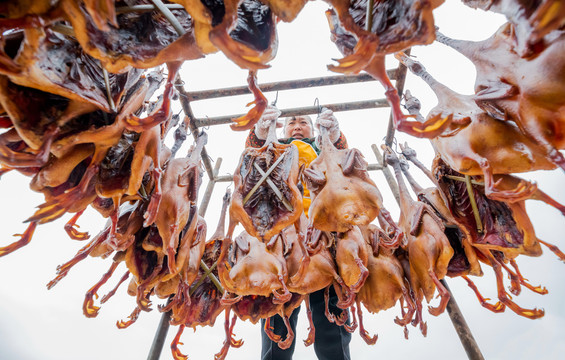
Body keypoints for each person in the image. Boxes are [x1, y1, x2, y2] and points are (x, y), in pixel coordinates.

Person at [245, 105, 352, 360]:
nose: (297, 126)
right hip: (279, 232)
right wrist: (261, 131)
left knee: (329, 307)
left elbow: (343, 158)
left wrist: (334, 135)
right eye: (292, 122)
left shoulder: (319, 148)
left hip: (323, 229)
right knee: (278, 313)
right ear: (283, 128)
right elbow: (250, 155)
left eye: (303, 122)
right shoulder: (275, 148)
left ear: (312, 128)